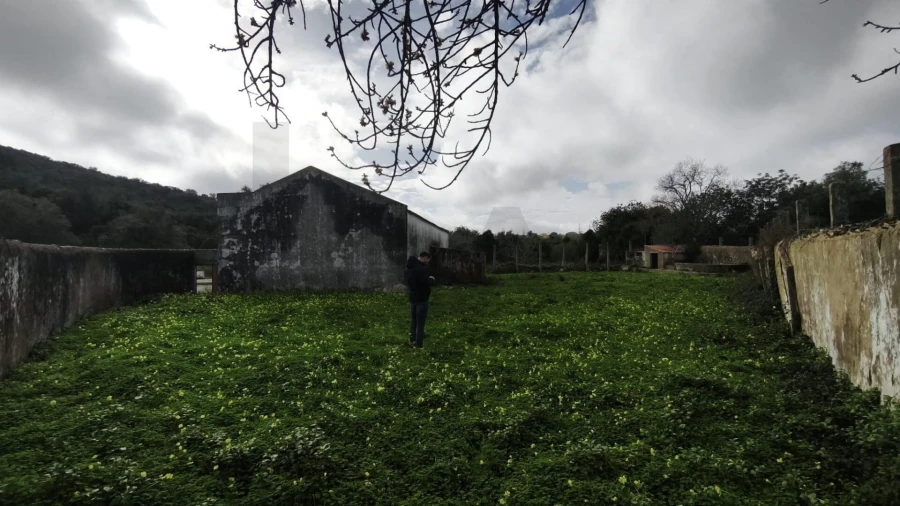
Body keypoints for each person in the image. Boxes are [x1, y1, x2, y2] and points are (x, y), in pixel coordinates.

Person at [405, 251, 436, 348]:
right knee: (420, 324)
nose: (427, 262)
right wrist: (431, 279)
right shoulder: (422, 269)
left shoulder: (409, 268)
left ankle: (412, 341)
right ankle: (419, 345)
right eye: (428, 260)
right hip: (422, 299)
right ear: (425, 258)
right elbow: (425, 283)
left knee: (413, 321)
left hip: (413, 297)